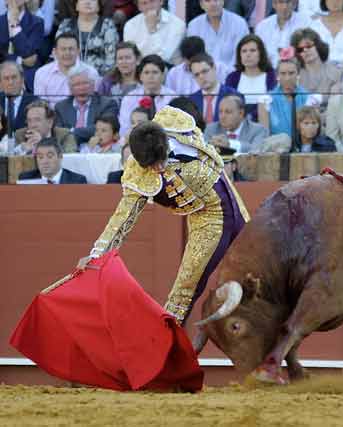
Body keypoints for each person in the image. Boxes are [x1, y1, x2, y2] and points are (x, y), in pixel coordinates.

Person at [76, 105, 251, 324]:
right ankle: (166, 349)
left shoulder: (176, 123)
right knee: (185, 288)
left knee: (258, 269)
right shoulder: (137, 175)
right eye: (151, 166)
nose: (158, 168)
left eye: (160, 161)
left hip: (230, 193)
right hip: (207, 217)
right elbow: (121, 219)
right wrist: (96, 255)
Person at [54, 63, 119, 145]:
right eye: (77, 85)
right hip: (68, 149)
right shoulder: (61, 107)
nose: (81, 88)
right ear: (70, 88)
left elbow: (104, 129)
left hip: (98, 148)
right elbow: (58, 133)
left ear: (93, 85)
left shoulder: (107, 104)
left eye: (85, 83)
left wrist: (71, 131)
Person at [257, 57, 321, 139]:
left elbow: (313, 132)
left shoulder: (310, 99)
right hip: (275, 148)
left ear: (298, 74)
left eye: (291, 73)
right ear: (277, 75)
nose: (287, 78)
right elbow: (264, 135)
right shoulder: (265, 100)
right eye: (283, 73)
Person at [33, 32, 100, 107]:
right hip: (53, 116)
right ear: (55, 52)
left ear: (78, 51)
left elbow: (94, 104)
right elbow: (41, 105)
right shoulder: (42, 73)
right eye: (63, 49)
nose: (67, 53)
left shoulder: (91, 73)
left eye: (71, 49)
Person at [55, 0, 119, 76]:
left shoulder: (107, 25)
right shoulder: (66, 25)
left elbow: (111, 59)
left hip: (99, 77)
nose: (88, 2)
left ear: (99, 6)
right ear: (76, 6)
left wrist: (102, 80)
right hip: (68, 75)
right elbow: (58, 54)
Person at [118, 54, 177, 135]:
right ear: (140, 76)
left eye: (155, 72)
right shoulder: (129, 98)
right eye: (146, 73)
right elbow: (124, 130)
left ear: (163, 76)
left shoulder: (173, 98)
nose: (150, 76)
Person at [186, 0, 249, 73]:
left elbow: (241, 57)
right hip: (202, 77)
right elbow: (193, 58)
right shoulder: (194, 26)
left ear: (223, 1)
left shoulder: (239, 23)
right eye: (207, 0)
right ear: (201, 5)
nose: (213, 4)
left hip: (233, 77)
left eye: (216, 0)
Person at [224, 35, 277, 122]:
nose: (248, 54)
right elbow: (228, 103)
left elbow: (274, 103)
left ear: (261, 53)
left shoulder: (271, 76)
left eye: (252, 50)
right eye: (244, 51)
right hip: (237, 123)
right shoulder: (232, 77)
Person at [290, 28, 343, 111]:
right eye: (300, 49)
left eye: (308, 46)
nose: (305, 50)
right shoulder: (295, 75)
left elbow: (336, 107)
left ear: (318, 45)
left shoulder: (336, 72)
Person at [123, 0, 186, 65]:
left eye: (152, 1)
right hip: (140, 70)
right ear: (139, 7)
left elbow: (163, 58)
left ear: (161, 1)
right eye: (144, 3)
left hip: (169, 70)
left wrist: (152, 30)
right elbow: (131, 56)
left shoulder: (178, 24)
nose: (149, 6)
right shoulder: (130, 25)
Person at [0, 0, 44, 92]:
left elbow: (28, 53)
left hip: (26, 73)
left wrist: (14, 25)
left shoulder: (37, 23)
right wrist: (19, 60)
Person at [254, 0, 311, 67]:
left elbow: (308, 50)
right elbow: (257, 53)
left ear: (294, 4)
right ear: (274, 4)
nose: (284, 7)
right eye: (281, 2)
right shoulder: (262, 26)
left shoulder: (305, 22)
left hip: (296, 70)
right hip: (268, 70)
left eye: (288, 2)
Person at [188, 53, 239, 125]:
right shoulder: (191, 100)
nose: (201, 77)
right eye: (197, 74)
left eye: (204, 71)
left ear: (214, 68)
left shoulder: (234, 95)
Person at [17, 138, 87, 183]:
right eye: (40, 157)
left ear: (60, 156)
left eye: (50, 156)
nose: (45, 161)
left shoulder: (77, 181)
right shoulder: (26, 179)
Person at [0, 61, 39, 136]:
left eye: (14, 77)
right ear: (0, 83)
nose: (10, 82)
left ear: (22, 79)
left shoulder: (36, 102)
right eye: (6, 78)